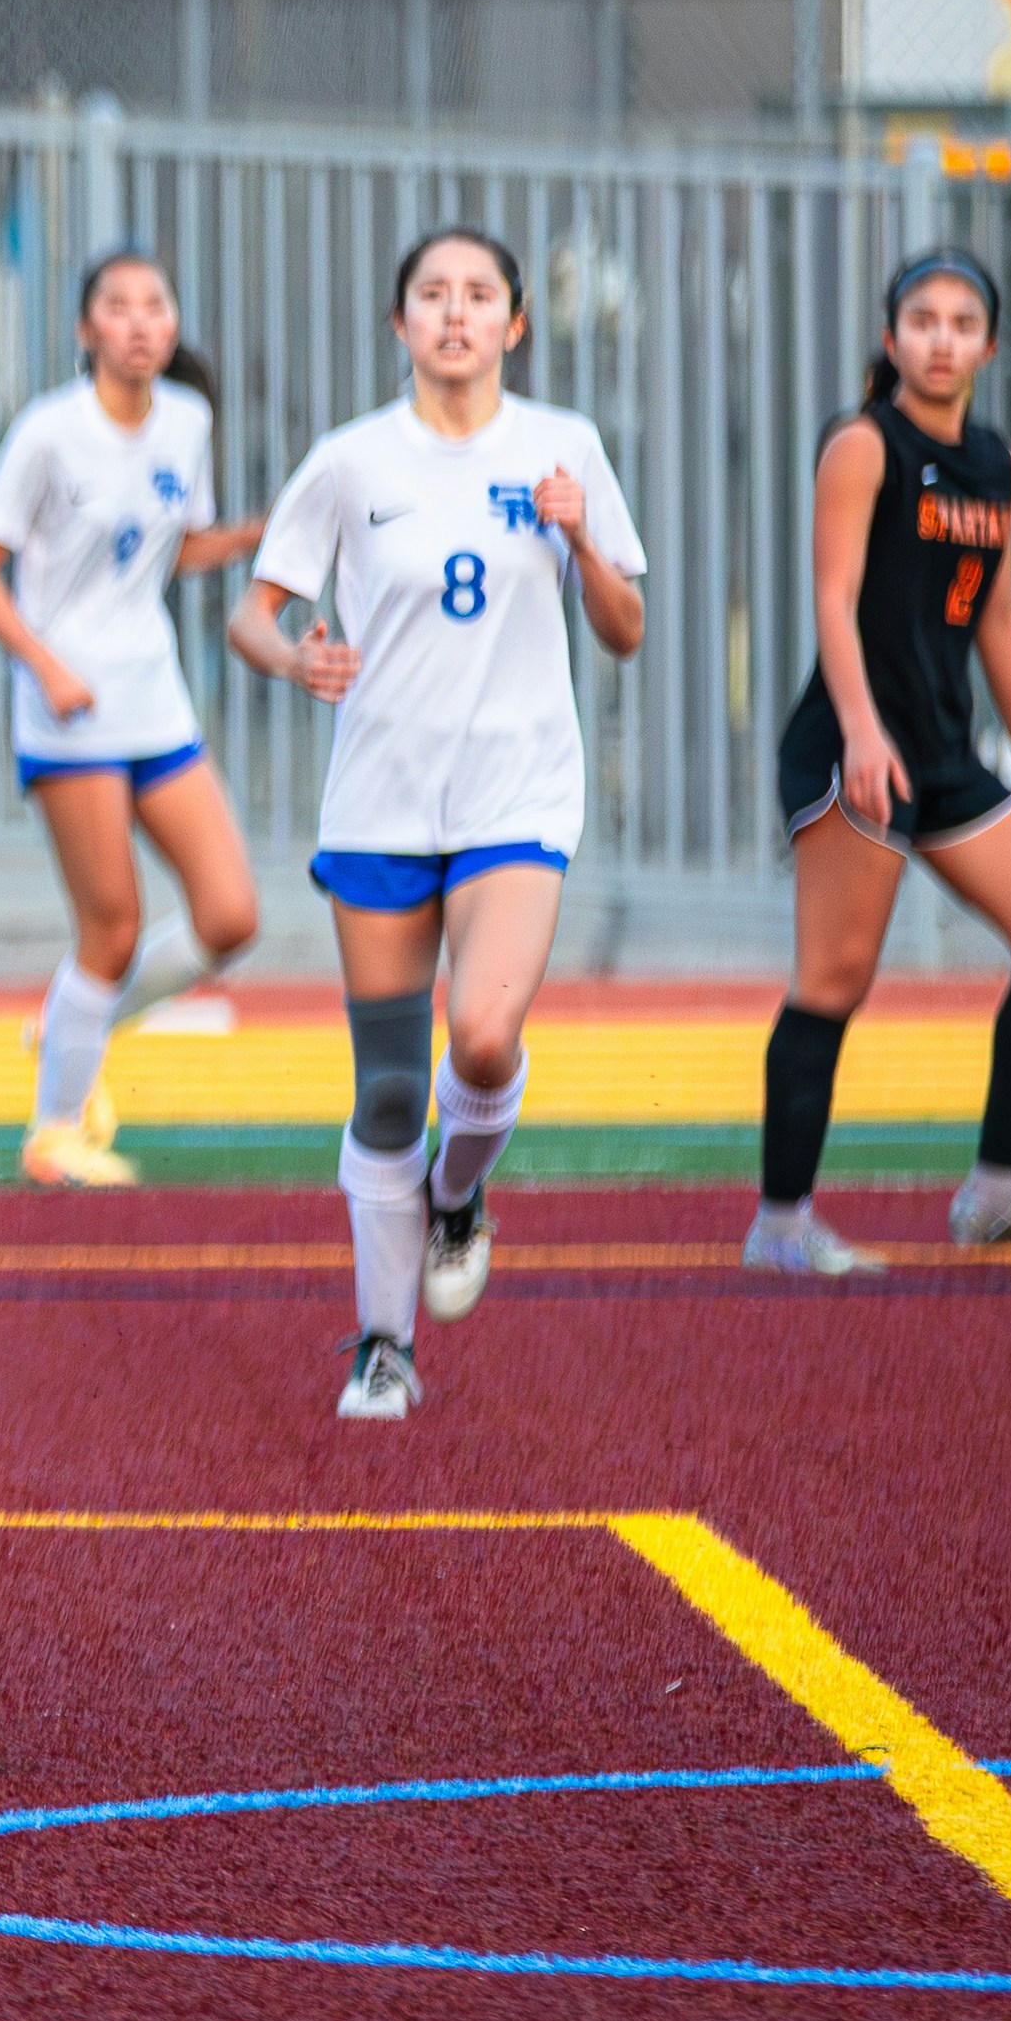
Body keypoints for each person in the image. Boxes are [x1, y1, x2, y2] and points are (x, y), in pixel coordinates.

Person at [229, 227, 647, 1422]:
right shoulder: (352, 462)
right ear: (399, 321)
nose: (454, 313)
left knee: (481, 1035)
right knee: (387, 1089)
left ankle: (456, 1196)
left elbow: (621, 627)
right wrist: (292, 652)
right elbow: (253, 614)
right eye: (431, 294)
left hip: (516, 792)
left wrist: (576, 534)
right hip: (379, 797)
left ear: (514, 323)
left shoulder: (564, 448)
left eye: (478, 296)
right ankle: (381, 1343)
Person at [748, 250, 1011, 1275]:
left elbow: (994, 614)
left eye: (960, 322)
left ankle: (995, 1195)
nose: (940, 337)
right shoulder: (863, 445)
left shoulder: (997, 459)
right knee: (835, 974)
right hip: (852, 744)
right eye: (920, 318)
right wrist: (861, 729)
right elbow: (831, 597)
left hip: (946, 753)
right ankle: (779, 1223)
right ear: (890, 333)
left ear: (988, 344)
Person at [0, 248, 265, 1186]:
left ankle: (72, 1022)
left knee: (230, 914)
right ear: (86, 329)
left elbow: (170, 550)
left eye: (153, 305)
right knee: (112, 929)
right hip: (69, 710)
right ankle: (53, 1131)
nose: (137, 321)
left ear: (171, 325)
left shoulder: (188, 419)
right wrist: (44, 665)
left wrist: (258, 535)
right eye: (116, 306)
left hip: (151, 695)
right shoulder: (49, 432)